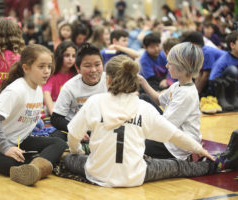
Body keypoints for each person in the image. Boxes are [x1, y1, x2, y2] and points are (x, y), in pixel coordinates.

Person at [62, 54, 238, 187]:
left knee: (69, 159)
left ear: (108, 79)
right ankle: (217, 163)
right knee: (178, 167)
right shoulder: (143, 107)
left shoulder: (94, 102)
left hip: (97, 174)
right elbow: (174, 134)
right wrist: (199, 149)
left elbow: (72, 134)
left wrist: (77, 151)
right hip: (136, 176)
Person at [0, 44, 67, 186]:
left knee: (59, 143)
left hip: (19, 140)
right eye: (41, 66)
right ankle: (36, 165)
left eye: (49, 66)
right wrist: (5, 147)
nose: (47, 71)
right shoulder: (16, 90)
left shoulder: (38, 89)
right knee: (12, 163)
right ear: (26, 68)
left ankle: (34, 169)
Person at [140, 42, 203, 160]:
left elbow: (165, 126)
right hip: (170, 132)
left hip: (176, 145)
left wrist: (139, 130)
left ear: (183, 67)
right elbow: (158, 100)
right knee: (144, 98)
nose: (166, 66)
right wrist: (142, 82)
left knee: (134, 142)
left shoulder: (186, 94)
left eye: (170, 63)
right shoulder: (177, 85)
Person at [50, 43, 107, 135]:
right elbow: (56, 119)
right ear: (78, 68)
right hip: (77, 128)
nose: (93, 70)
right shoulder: (69, 87)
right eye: (87, 66)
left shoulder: (111, 81)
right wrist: (75, 129)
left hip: (102, 128)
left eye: (97, 64)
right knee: (57, 139)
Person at [43, 41, 77, 116]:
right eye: (67, 55)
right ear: (60, 55)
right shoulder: (52, 74)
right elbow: (46, 94)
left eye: (74, 56)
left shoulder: (76, 75)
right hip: (53, 107)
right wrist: (54, 115)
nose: (71, 59)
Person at [209, 30, 238, 110]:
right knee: (233, 70)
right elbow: (212, 79)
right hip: (225, 92)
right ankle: (227, 99)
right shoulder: (223, 60)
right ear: (232, 45)